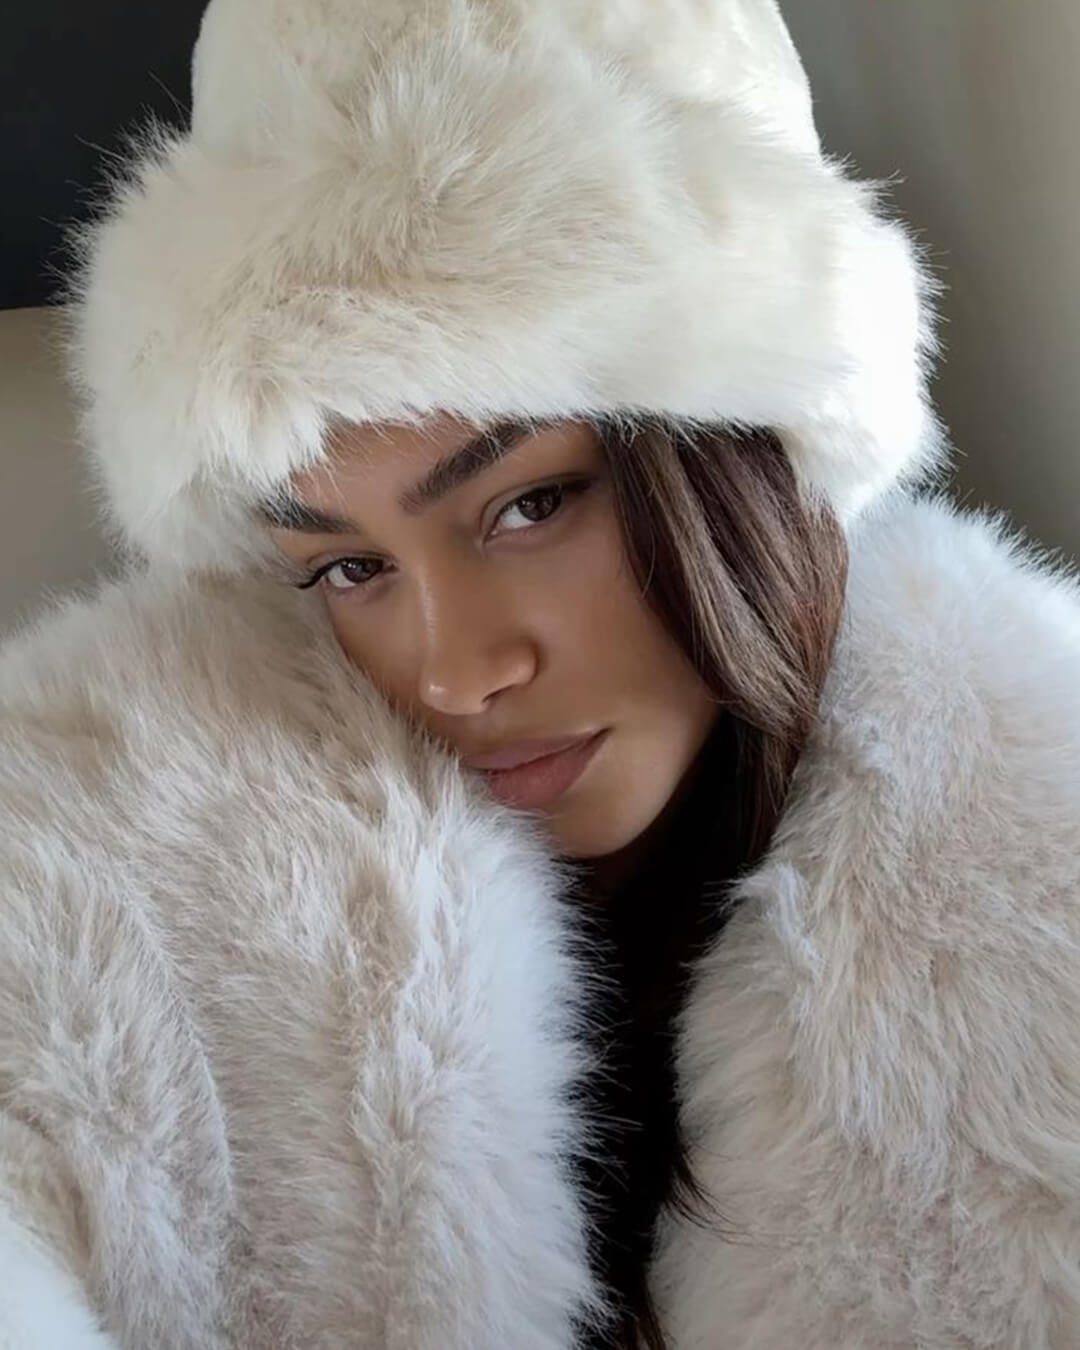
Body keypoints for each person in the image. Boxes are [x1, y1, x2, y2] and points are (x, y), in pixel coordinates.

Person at [2, 0, 1080, 1347]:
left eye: (530, 505)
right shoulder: (126, 864)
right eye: (349, 566)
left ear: (744, 455)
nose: (457, 672)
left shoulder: (1046, 859)